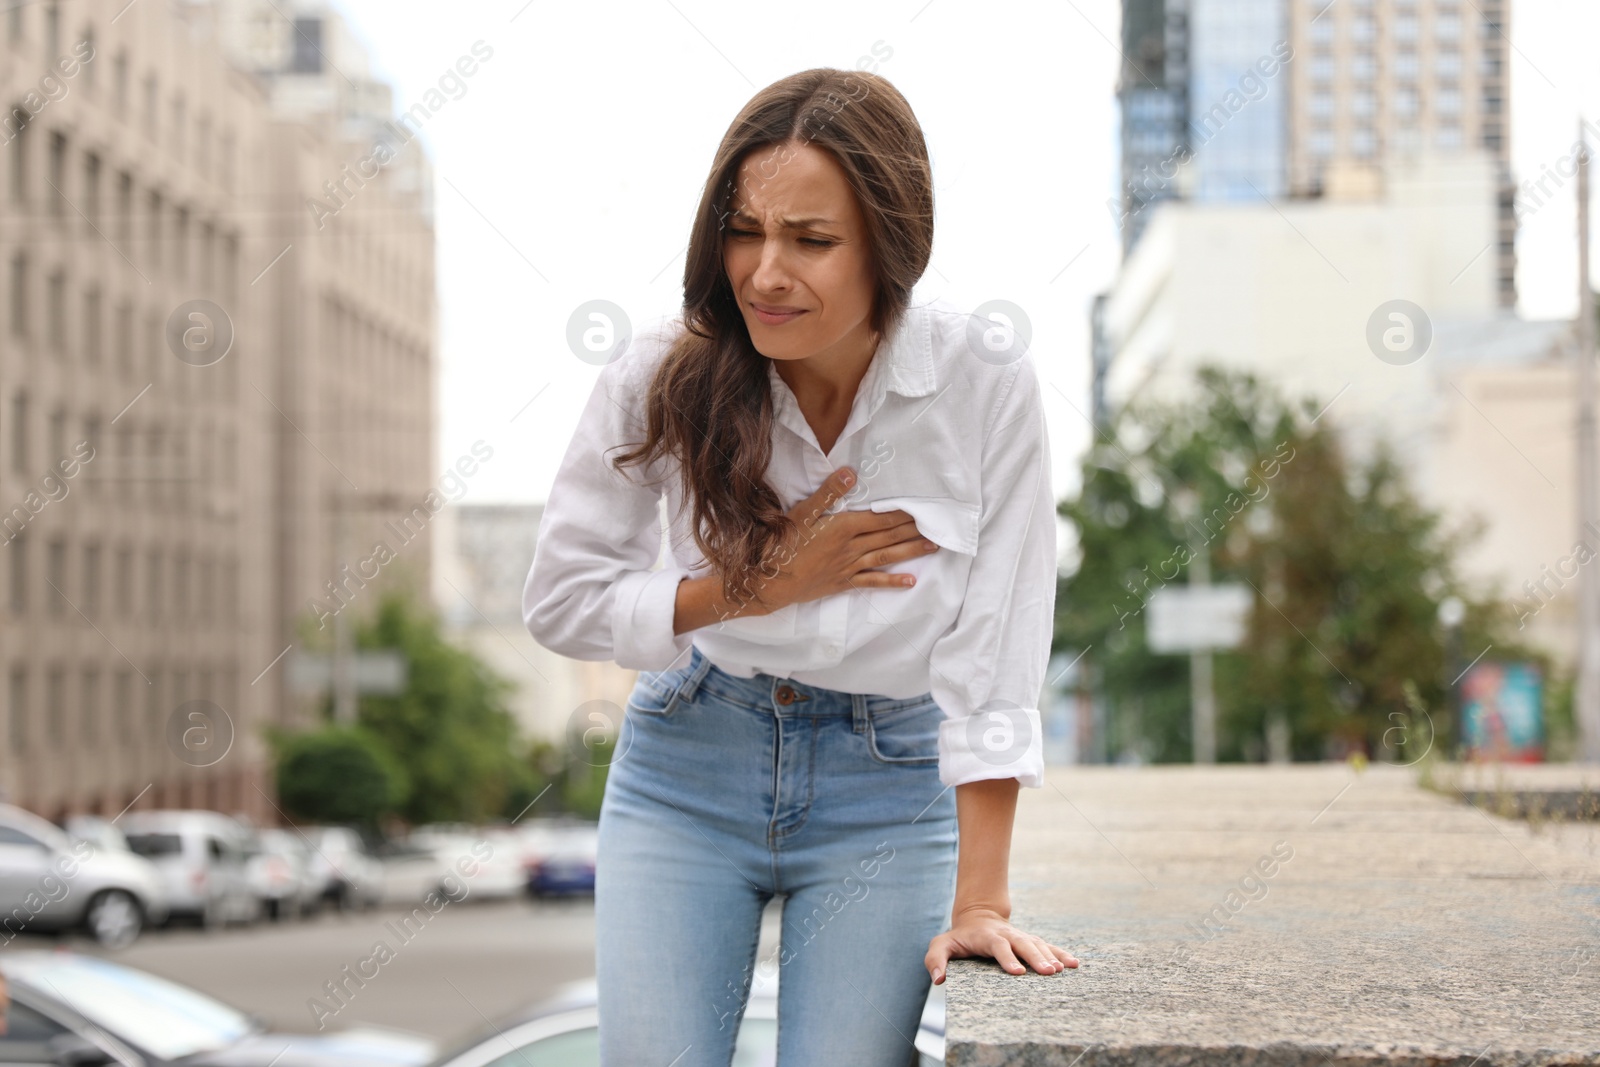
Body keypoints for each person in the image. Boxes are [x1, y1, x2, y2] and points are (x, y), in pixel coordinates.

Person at [523, 66, 1077, 1066]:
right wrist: (756, 586)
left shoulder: (981, 380)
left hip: (889, 781)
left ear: (889, 245)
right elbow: (561, 601)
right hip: (689, 758)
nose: (765, 273)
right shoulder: (661, 370)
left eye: (810, 240)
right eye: (744, 230)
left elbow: (998, 640)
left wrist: (983, 900)